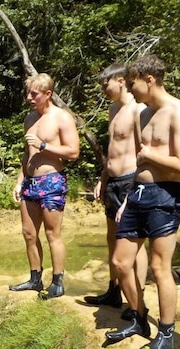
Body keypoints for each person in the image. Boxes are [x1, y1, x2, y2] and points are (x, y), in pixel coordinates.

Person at [105, 55, 180, 349]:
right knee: (120, 262)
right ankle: (139, 316)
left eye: (133, 83)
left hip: (164, 195)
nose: (131, 90)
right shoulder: (143, 114)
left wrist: (150, 155)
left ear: (149, 79)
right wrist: (128, 197)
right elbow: (141, 161)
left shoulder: (177, 111)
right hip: (138, 193)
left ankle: (166, 334)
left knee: (158, 267)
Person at [85, 64, 149, 320]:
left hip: (129, 180)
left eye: (105, 84)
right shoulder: (113, 110)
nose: (102, 89)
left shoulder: (138, 109)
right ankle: (114, 290)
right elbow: (112, 150)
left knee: (135, 243)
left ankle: (138, 298)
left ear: (120, 80)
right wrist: (103, 178)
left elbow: (142, 152)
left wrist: (134, 186)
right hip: (112, 180)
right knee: (112, 237)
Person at [9, 73, 80, 298]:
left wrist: (43, 145)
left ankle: (57, 281)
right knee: (29, 233)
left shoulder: (62, 117)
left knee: (52, 234)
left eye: (34, 93)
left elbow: (73, 152)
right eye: (28, 92)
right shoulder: (29, 119)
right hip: (30, 181)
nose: (29, 97)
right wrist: (19, 181)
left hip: (52, 181)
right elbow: (26, 154)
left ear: (48, 94)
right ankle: (35, 279)